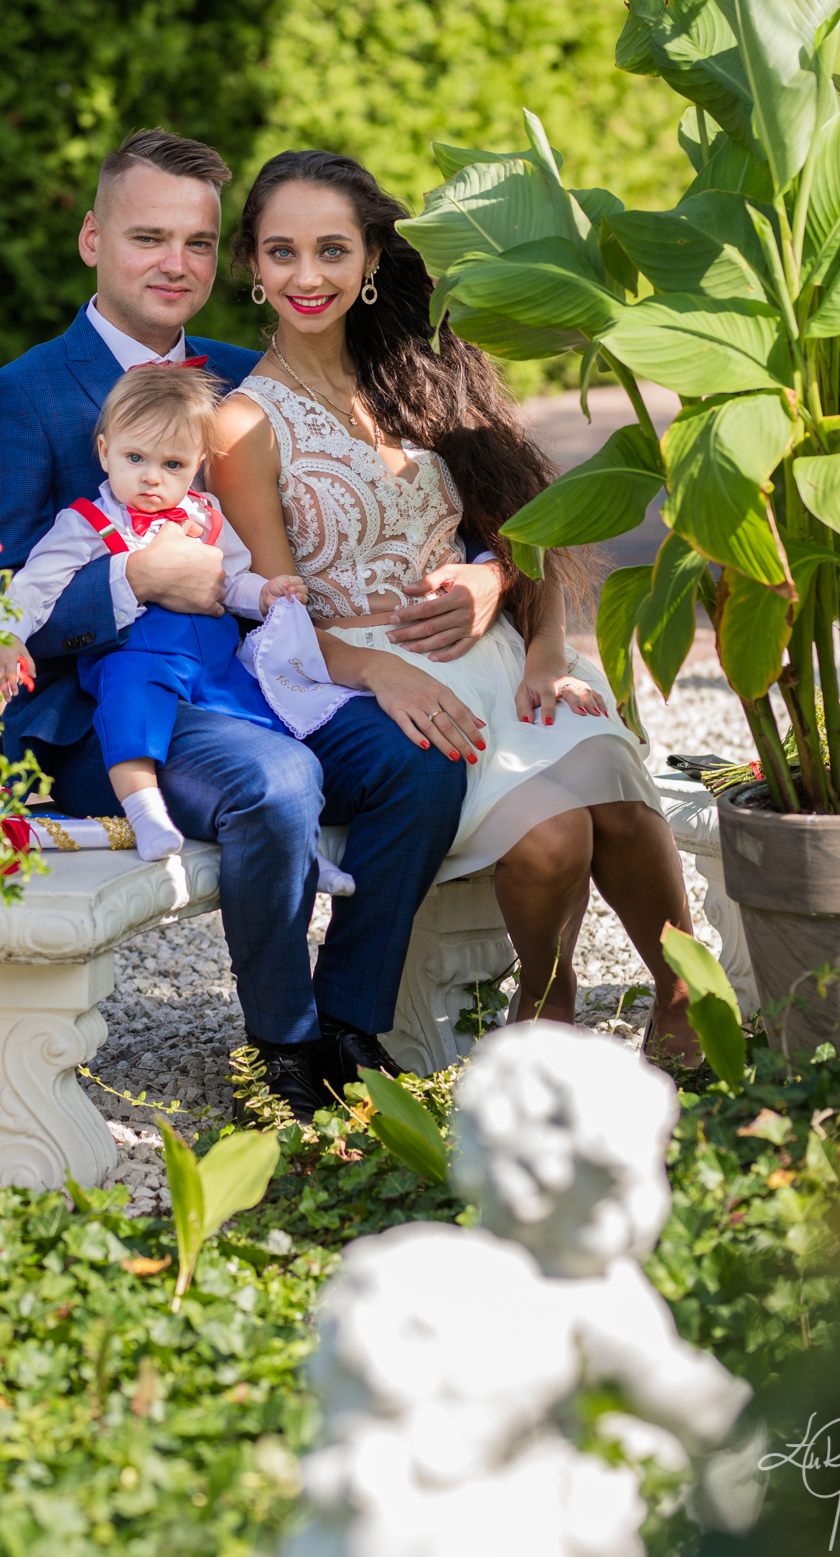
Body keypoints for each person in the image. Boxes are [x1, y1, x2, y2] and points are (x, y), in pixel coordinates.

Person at [0, 126, 507, 1119]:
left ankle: (350, 1024)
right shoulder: (24, 396)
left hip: (253, 679)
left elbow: (393, 488)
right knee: (278, 781)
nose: (176, 263)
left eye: (199, 243)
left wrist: (484, 568)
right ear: (92, 240)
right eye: (148, 237)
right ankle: (282, 1053)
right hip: (107, 721)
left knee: (419, 762)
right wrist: (131, 579)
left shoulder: (245, 375)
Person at [211, 150, 700, 1067]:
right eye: (282, 252)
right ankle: (546, 1010)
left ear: (370, 260)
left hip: (507, 655)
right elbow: (274, 620)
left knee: (622, 806)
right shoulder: (243, 425)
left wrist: (522, 616)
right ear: (253, 265)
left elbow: (532, 529)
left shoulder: (422, 374)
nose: (308, 275)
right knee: (554, 837)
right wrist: (378, 669)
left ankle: (684, 1001)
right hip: (379, 680)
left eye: (331, 250)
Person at [0, 363, 354, 894]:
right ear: (105, 452)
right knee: (131, 709)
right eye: (135, 459)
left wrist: (263, 593)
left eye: (172, 464)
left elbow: (230, 578)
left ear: (197, 466)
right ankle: (146, 813)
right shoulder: (89, 522)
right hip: (136, 651)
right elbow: (35, 584)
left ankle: (305, 853)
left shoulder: (206, 515)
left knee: (264, 721)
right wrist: (8, 634)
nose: (151, 478)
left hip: (213, 656)